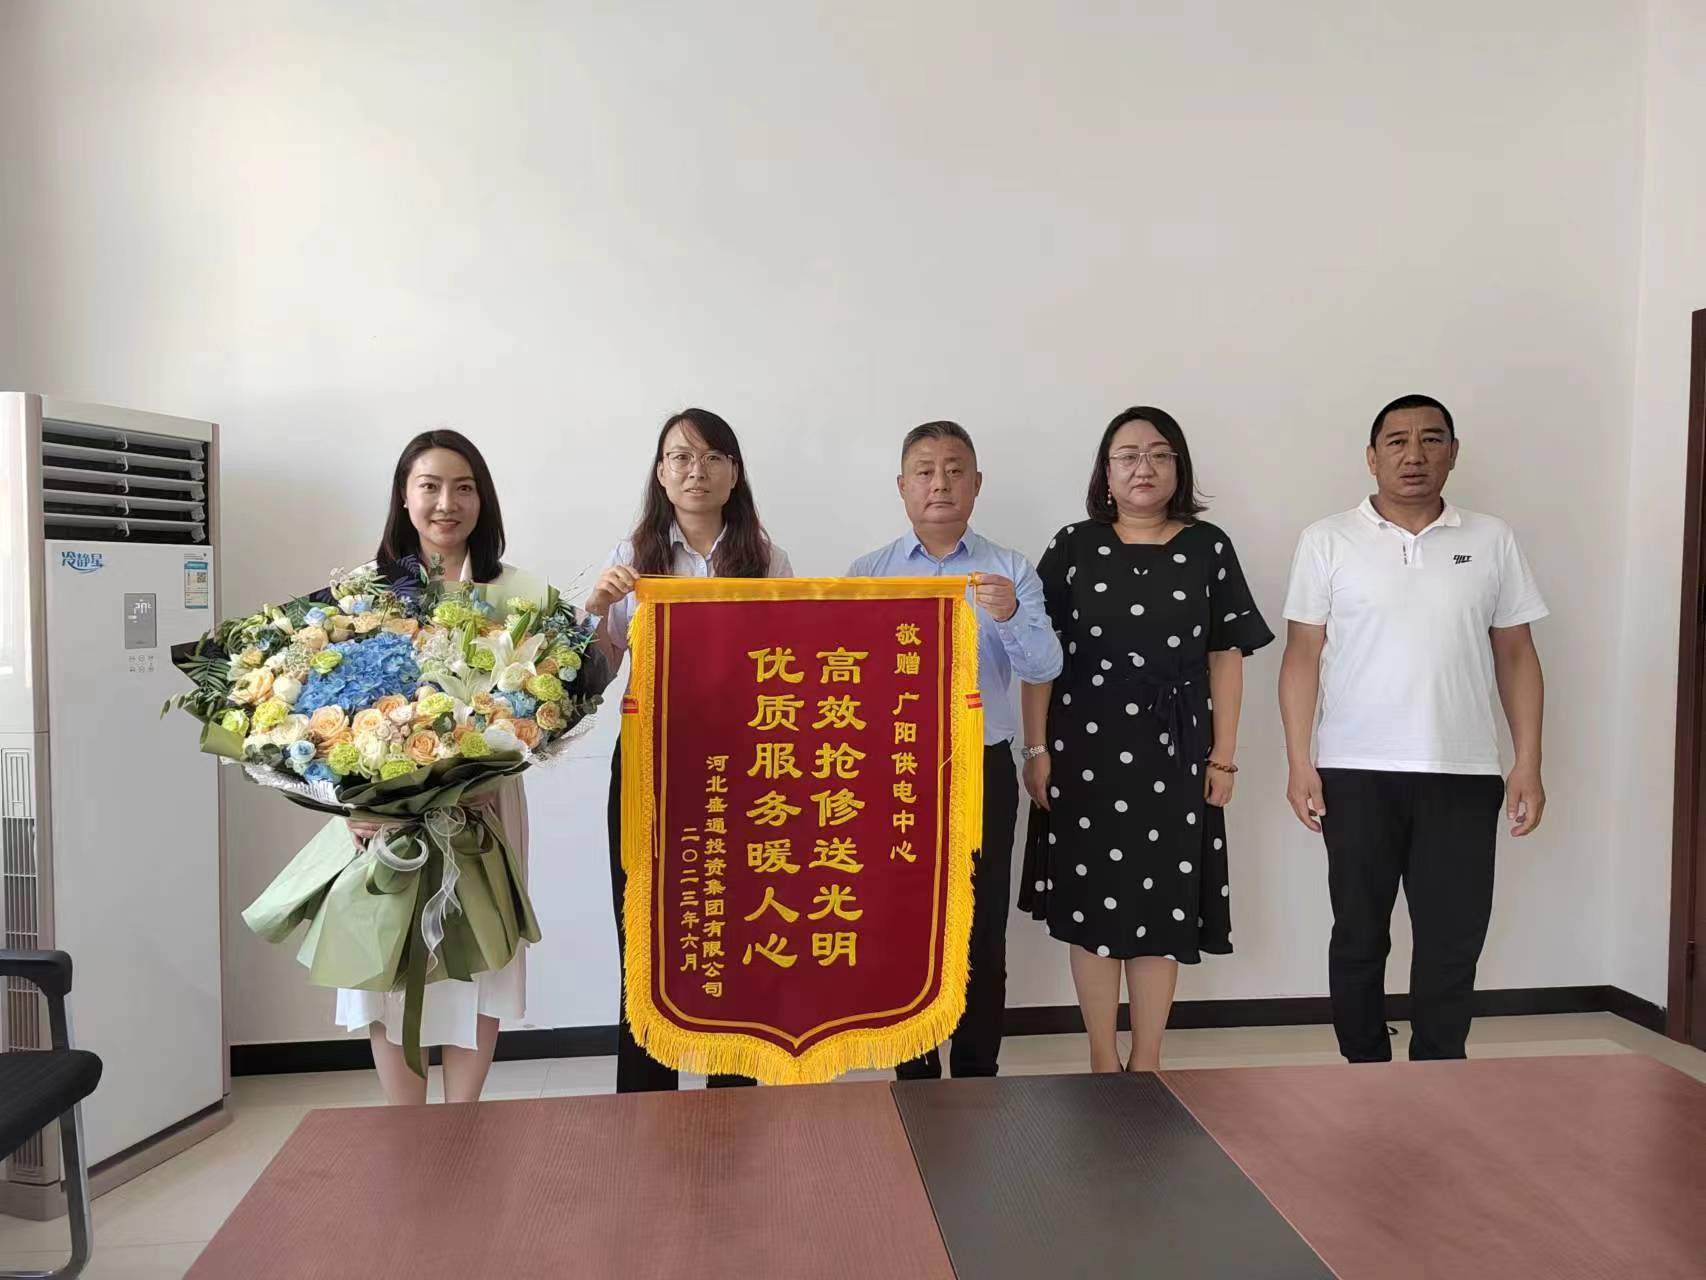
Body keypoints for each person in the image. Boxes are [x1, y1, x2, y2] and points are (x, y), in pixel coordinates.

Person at [1278, 393, 1548, 1063]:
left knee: (1453, 937)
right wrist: (1299, 761)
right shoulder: (1326, 540)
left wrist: (1528, 762)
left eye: (1431, 439)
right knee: (1359, 932)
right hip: (1355, 770)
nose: (1414, 455)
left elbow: (1517, 654)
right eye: (1396, 441)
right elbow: (1302, 655)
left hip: (1462, 771)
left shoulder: (1491, 539)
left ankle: (1439, 1068)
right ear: (1372, 457)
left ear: (1453, 453)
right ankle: (1364, 1065)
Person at [1019, 407, 1272, 1072]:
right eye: (1127, 455)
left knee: (1163, 905)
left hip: (1177, 752)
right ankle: (1103, 1059)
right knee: (1090, 907)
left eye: (1159, 454)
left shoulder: (1208, 547)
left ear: (1178, 468)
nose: (1144, 467)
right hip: (1083, 753)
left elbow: (1226, 656)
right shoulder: (1073, 547)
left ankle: (1149, 1061)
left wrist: (1224, 757)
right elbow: (1040, 656)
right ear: (1105, 472)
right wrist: (1036, 750)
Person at [586, 408, 793, 1092]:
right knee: (646, 932)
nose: (695, 471)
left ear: (734, 474)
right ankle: (646, 1104)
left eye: (712, 458)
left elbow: (790, 666)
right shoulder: (631, 556)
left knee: (736, 932)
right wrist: (596, 612)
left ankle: (735, 1100)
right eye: (680, 457)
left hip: (744, 771)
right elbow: (597, 675)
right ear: (660, 473)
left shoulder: (766, 559)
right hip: (652, 766)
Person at [848, 421, 1063, 1079]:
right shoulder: (869, 574)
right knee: (901, 925)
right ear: (902, 486)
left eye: (953, 469)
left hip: (981, 765)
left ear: (976, 483)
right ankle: (913, 1075)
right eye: (924, 470)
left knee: (980, 926)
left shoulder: (1010, 570)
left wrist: (1009, 616)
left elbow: (1045, 665)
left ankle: (976, 1077)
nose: (939, 483)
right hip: (896, 770)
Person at [337, 429, 541, 1104]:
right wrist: (351, 803)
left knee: (480, 960)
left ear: (483, 499)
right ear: (405, 496)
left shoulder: (516, 592)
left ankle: (463, 1123)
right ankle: (407, 1129)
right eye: (429, 486)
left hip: (484, 810)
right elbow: (324, 709)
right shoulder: (366, 592)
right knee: (389, 964)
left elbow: (547, 707)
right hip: (386, 816)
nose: (446, 503)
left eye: (463, 487)